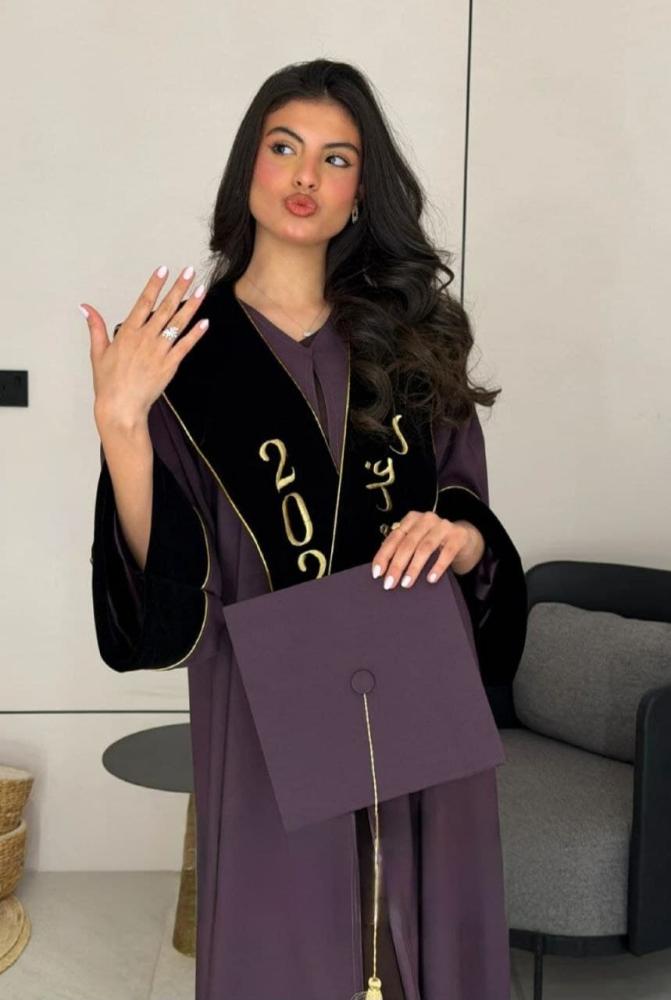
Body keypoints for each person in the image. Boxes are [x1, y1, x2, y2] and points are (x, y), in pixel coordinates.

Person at [83, 58, 527, 1000]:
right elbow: (166, 600)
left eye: (335, 158)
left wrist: (462, 539)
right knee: (285, 947)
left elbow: (465, 501)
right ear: (248, 163)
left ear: (360, 190)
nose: (303, 176)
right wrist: (122, 427)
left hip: (415, 682)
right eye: (283, 147)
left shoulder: (411, 337)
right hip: (264, 705)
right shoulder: (185, 355)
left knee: (425, 936)